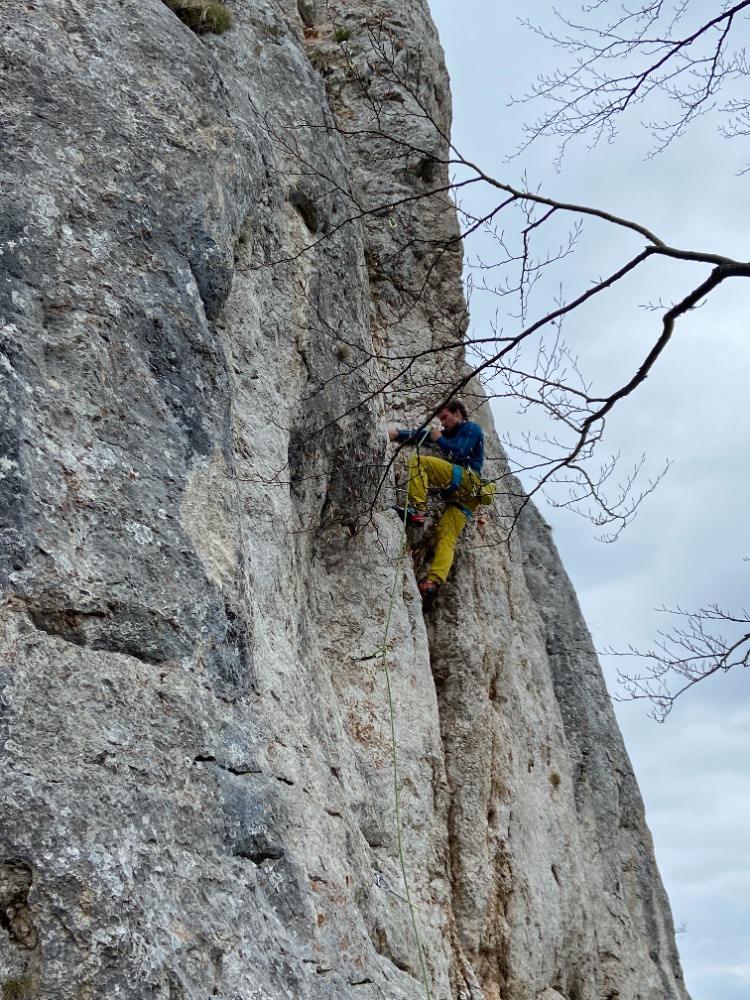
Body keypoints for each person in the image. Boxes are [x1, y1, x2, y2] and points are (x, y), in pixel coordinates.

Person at [388, 400, 484, 604]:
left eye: (445, 417)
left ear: (458, 414)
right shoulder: (451, 433)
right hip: (467, 497)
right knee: (446, 535)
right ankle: (433, 582)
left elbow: (460, 452)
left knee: (418, 462)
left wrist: (439, 438)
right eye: (441, 419)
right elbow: (423, 436)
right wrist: (398, 434)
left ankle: (418, 510)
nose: (443, 423)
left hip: (466, 480)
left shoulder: (470, 428)